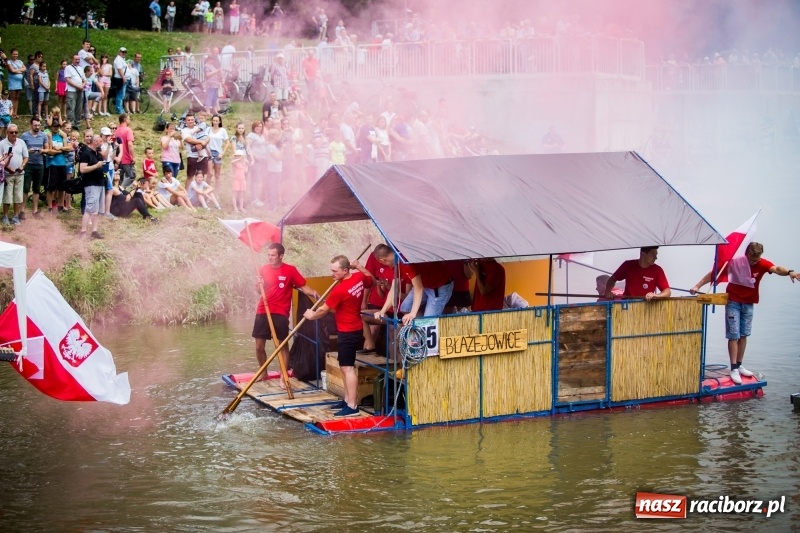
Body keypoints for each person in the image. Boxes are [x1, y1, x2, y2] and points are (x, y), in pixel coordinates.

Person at [690, 242, 799, 384]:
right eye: (752, 259)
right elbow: (715, 273)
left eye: (757, 259)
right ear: (747, 254)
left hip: (748, 304)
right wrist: (697, 285)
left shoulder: (762, 263)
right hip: (733, 302)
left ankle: (740, 365)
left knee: (744, 334)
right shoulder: (736, 263)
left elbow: (777, 268)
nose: (754, 262)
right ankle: (733, 368)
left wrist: (790, 272)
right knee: (733, 335)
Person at [303, 255, 373, 417]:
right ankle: (347, 399)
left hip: (349, 331)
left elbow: (324, 310)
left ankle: (353, 406)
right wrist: (360, 267)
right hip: (352, 329)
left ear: (345, 270)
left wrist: (311, 315)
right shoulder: (359, 277)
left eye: (335, 271)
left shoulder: (340, 290)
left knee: (348, 368)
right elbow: (370, 279)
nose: (332, 274)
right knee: (344, 366)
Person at [253, 243, 320, 383]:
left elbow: (302, 286)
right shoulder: (263, 269)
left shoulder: (290, 270)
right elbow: (259, 291)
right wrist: (258, 284)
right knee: (259, 346)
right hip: (263, 310)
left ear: (281, 256)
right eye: (268, 255)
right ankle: (263, 373)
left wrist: (315, 293)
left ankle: (284, 376)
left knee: (282, 345)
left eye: (273, 255)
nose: (269, 257)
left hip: (280, 312)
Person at [373, 247, 454, 325]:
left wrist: (413, 313)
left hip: (439, 286)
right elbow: (394, 289)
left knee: (428, 321)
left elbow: (419, 288)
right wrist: (382, 311)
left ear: (382, 260)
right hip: (425, 284)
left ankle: (426, 327)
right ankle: (421, 327)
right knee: (405, 308)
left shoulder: (405, 262)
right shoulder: (395, 260)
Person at [605, 246, 671, 301]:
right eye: (652, 254)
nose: (656, 258)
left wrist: (656, 295)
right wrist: (608, 291)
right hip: (627, 305)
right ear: (643, 254)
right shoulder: (628, 265)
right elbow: (612, 279)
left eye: (656, 255)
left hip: (646, 306)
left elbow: (667, 292)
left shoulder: (657, 270)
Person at [77, 134, 106, 238]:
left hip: (100, 183)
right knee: (89, 209)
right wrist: (96, 166)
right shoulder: (86, 153)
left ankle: (94, 231)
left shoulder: (98, 154)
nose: (102, 144)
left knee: (96, 209)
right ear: (95, 142)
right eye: (100, 142)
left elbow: (104, 160)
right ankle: (83, 231)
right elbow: (82, 169)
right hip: (90, 184)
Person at [0, 124, 28, 226]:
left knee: (18, 196)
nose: (14, 134)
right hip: (7, 174)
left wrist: (22, 166)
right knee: (7, 196)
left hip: (20, 173)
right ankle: (5, 216)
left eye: (16, 132)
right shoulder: (2, 143)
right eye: (12, 132)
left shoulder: (21, 142)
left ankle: (16, 216)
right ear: (7, 132)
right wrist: (8, 168)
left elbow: (26, 157)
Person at [20, 116, 46, 218]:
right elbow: (20, 149)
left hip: (39, 164)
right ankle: (22, 210)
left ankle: (35, 210)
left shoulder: (43, 135)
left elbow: (47, 148)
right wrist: (27, 151)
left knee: (36, 188)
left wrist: (42, 151)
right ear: (31, 125)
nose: (37, 127)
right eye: (35, 125)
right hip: (28, 164)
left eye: (39, 125)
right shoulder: (24, 136)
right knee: (26, 187)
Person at [116, 113, 136, 187]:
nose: (130, 120)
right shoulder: (128, 130)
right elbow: (130, 144)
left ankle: (119, 193)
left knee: (119, 179)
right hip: (126, 158)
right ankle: (121, 190)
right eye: (129, 118)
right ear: (125, 119)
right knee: (132, 176)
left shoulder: (116, 130)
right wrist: (133, 157)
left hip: (118, 158)